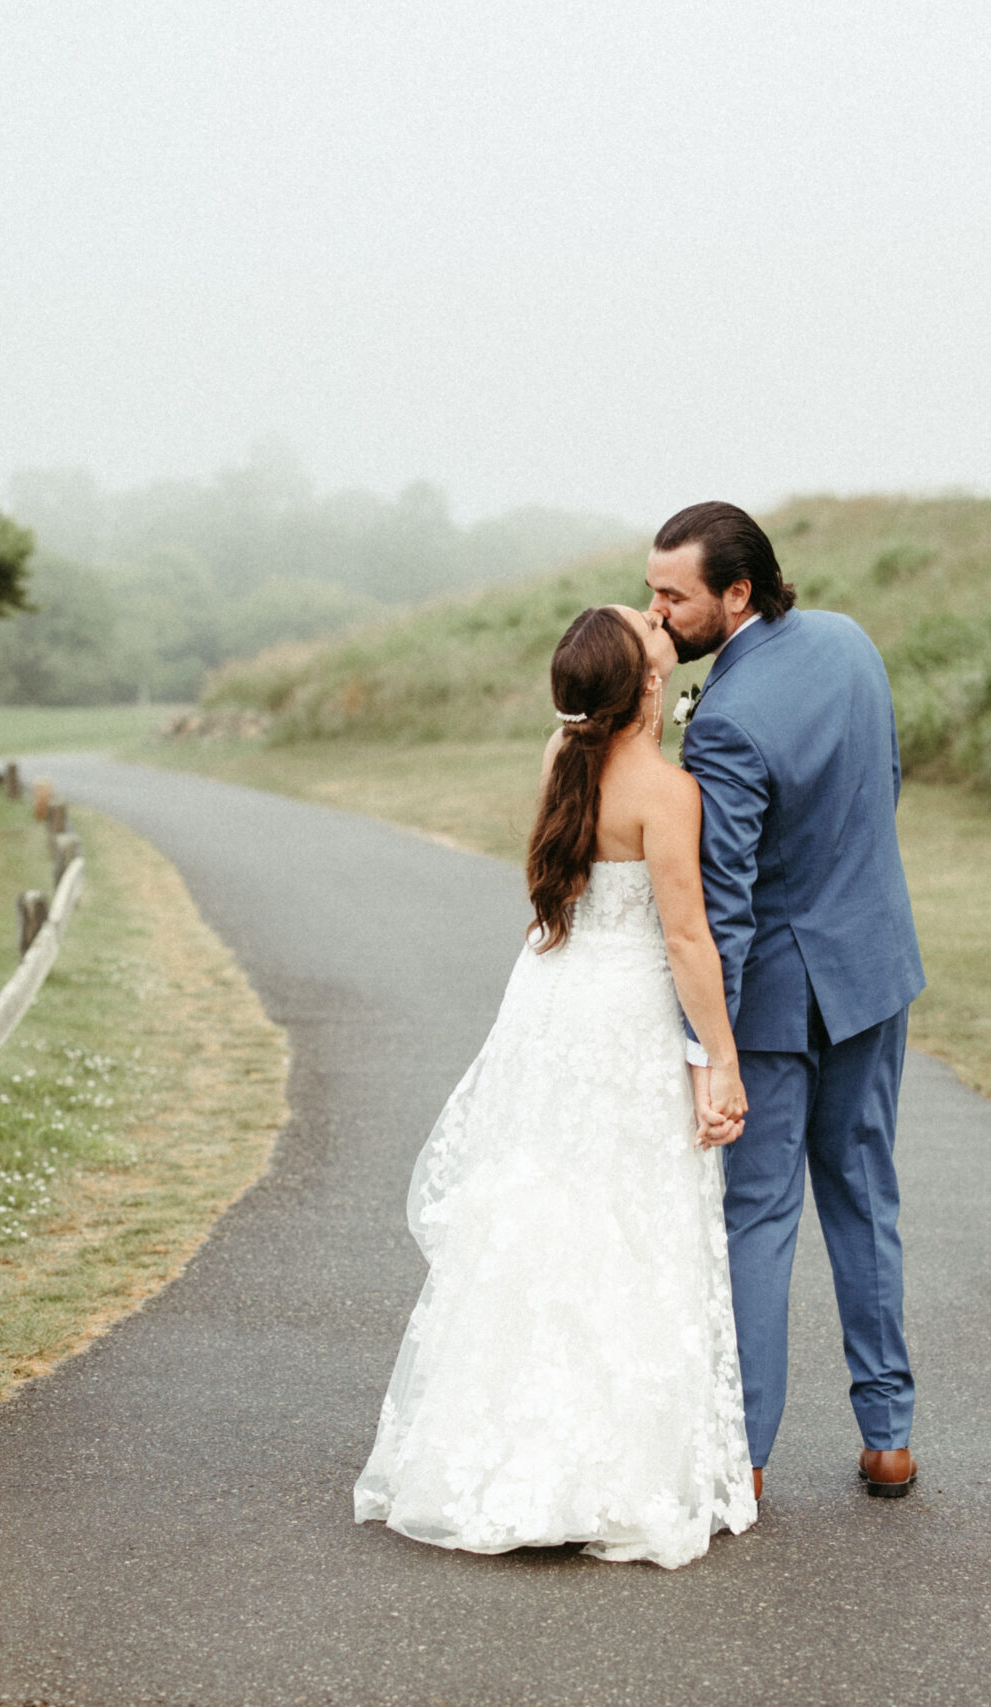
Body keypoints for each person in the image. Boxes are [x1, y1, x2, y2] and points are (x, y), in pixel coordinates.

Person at [353, 604, 757, 1569]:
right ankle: (607, 1468)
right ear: (649, 686)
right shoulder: (666, 791)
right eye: (649, 629)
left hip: (547, 1002)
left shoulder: (559, 757)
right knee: (626, 1218)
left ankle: (501, 1449)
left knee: (539, 1210)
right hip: (619, 1021)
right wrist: (723, 1060)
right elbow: (689, 938)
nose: (660, 623)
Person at [645, 500, 928, 1500]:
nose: (657, 613)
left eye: (673, 596)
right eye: (652, 591)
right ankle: (888, 1438)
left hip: (771, 1004)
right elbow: (881, 785)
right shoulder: (852, 643)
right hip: (872, 968)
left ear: (737, 593)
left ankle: (745, 1460)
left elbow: (720, 908)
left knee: (757, 1220)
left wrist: (702, 1049)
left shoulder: (721, 720)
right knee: (863, 1196)